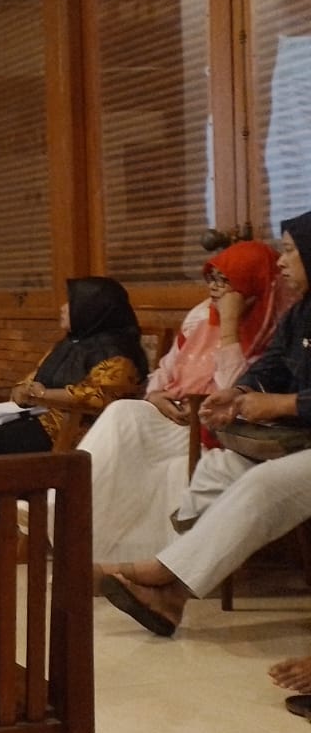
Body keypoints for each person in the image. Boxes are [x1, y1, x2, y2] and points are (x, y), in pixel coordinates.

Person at [99, 212, 311, 638]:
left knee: (263, 483)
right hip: (298, 437)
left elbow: (280, 390)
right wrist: (240, 392)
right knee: (219, 468)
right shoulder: (301, 312)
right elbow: (272, 364)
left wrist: (282, 403)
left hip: (300, 437)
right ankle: (170, 592)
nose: (282, 261)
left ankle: (163, 575)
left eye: (290, 251)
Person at [83, 241, 283, 562]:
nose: (215, 289)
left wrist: (229, 327)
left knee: (173, 468)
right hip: (173, 417)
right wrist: (155, 396)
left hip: (217, 432)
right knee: (123, 412)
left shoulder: (274, 329)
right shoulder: (200, 317)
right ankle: (67, 507)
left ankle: (153, 560)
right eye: (212, 279)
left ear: (254, 283)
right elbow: (165, 370)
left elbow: (234, 396)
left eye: (226, 281)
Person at [0, 276, 148, 455]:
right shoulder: (71, 342)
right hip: (35, 414)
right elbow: (36, 376)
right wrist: (23, 389)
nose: (63, 308)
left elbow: (99, 398)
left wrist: (43, 395)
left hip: (66, 428)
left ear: (92, 309)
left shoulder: (118, 353)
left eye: (71, 303)